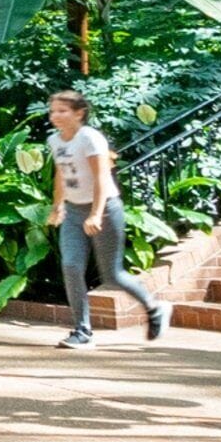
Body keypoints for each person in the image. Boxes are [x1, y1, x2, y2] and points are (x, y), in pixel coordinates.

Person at [46, 88, 163, 348]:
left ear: (79, 113)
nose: (55, 115)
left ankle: (154, 309)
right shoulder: (55, 141)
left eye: (62, 111)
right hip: (74, 212)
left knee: (112, 275)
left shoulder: (90, 138)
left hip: (106, 208)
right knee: (71, 267)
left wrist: (97, 213)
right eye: (53, 110)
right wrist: (57, 206)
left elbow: (101, 177)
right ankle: (82, 331)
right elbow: (60, 174)